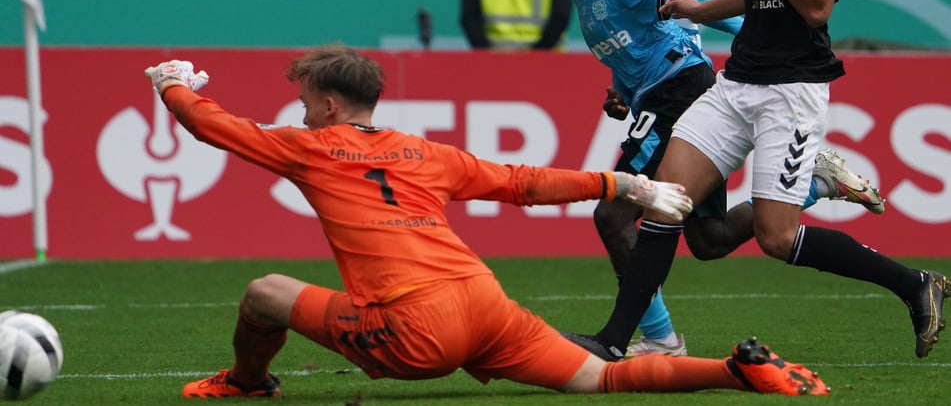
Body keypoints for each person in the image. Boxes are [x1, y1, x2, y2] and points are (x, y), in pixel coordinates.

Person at [142, 51, 828, 398]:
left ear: (325, 106)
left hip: (417, 329)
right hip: (483, 302)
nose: (296, 116)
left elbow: (215, 128)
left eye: (301, 103)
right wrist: (622, 183)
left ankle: (246, 383)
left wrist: (171, 83)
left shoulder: (309, 147)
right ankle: (736, 373)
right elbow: (521, 184)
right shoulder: (425, 152)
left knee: (264, 291)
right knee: (599, 378)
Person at [549, 0, 950, 362]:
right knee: (666, 201)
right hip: (737, 83)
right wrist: (697, 11)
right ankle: (617, 340)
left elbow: (816, 7)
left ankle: (914, 284)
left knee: (777, 237)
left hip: (792, 88)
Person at [530, 0, 885, 360]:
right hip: (658, 92)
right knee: (708, 238)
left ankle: (658, 339)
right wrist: (625, 96)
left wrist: (764, 38)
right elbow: (635, 35)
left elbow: (684, 1)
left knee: (614, 213)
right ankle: (815, 185)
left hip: (679, 86)